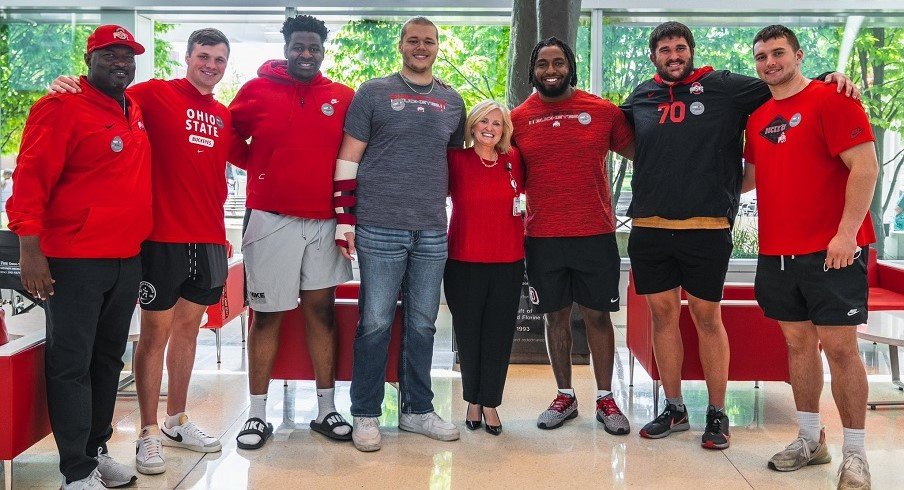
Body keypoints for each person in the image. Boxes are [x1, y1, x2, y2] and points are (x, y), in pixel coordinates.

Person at [620, 21, 858, 450]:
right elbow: (619, 136)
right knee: (661, 316)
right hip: (649, 228)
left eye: (679, 48)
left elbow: (785, 85)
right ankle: (674, 408)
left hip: (707, 229)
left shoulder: (726, 87)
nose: (673, 55)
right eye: (664, 50)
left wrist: (828, 78)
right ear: (653, 56)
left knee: (707, 318)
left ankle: (716, 412)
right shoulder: (641, 95)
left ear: (691, 50)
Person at [49, 28, 242, 474]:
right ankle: (148, 433)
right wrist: (69, 82)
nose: (210, 66)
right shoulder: (153, 95)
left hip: (210, 237)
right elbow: (103, 92)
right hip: (160, 238)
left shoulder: (223, 114)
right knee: (154, 336)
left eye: (219, 60)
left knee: (190, 332)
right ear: (189, 58)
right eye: (203, 56)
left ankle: (176, 420)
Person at [7, 25, 151, 489]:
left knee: (108, 360)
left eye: (127, 56)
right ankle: (75, 470)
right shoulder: (59, 106)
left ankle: (95, 450)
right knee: (71, 362)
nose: (121, 62)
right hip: (74, 260)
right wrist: (31, 248)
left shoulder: (135, 108)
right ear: (89, 57)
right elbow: (30, 181)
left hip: (126, 258)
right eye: (111, 54)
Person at [742, 24, 877, 490]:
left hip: (833, 251)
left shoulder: (833, 98)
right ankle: (809, 440)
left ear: (798, 55)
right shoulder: (757, 118)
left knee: (841, 349)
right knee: (798, 346)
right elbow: (750, 177)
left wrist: (845, 234)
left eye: (778, 53)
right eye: (761, 56)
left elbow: (865, 165)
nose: (769, 62)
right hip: (777, 252)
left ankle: (856, 454)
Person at [333, 16, 466, 452]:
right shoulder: (372, 92)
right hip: (378, 225)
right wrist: (344, 219)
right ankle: (366, 414)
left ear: (437, 46)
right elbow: (349, 158)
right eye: (414, 40)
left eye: (428, 41)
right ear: (401, 46)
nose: (421, 47)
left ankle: (416, 411)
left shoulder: (452, 101)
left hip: (431, 228)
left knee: (424, 324)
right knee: (374, 322)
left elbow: (455, 166)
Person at [228, 14, 354, 449]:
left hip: (324, 220)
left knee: (321, 312)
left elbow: (352, 155)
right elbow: (230, 138)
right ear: (286, 48)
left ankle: (326, 409)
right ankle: (257, 415)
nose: (306, 54)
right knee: (266, 315)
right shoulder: (255, 91)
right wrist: (264, 169)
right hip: (270, 219)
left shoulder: (341, 96)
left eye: (314, 48)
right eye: (298, 47)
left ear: (323, 51)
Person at [510, 37, 635, 435]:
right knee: (555, 317)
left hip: (595, 233)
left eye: (558, 62)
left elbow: (646, 154)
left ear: (571, 66)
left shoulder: (601, 111)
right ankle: (564, 394)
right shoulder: (518, 119)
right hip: (542, 236)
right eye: (543, 64)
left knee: (598, 317)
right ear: (532, 71)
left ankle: (605, 398)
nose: (551, 70)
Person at [444, 100, 524, 436]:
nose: (489, 128)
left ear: (505, 129)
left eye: (497, 123)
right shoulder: (455, 160)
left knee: (498, 335)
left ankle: (490, 402)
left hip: (508, 262)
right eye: (483, 122)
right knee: (469, 334)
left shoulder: (514, 161)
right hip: (464, 262)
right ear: (472, 126)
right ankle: (472, 401)